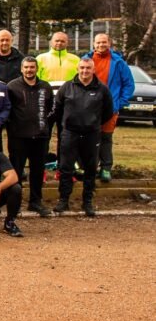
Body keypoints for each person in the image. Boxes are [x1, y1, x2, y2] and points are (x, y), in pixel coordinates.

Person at [52, 57, 114, 217]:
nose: (85, 71)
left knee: (90, 168)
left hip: (91, 134)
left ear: (93, 70)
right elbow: (57, 109)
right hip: (70, 133)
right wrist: (67, 124)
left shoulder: (102, 89)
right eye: (82, 68)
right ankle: (63, 200)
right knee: (66, 168)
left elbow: (108, 111)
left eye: (88, 68)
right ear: (77, 69)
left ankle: (87, 202)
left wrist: (93, 123)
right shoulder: (67, 87)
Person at [83, 33, 134, 183]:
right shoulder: (86, 60)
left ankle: (106, 168)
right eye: (98, 43)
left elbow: (129, 84)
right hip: (89, 108)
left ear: (109, 43)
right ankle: (90, 168)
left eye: (104, 42)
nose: (101, 45)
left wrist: (120, 103)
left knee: (106, 138)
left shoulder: (118, 62)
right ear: (93, 44)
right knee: (89, 139)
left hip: (110, 108)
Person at [6, 56, 54, 217]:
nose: (29, 70)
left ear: (36, 68)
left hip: (40, 137)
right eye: (26, 67)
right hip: (18, 136)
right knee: (16, 172)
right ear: (21, 69)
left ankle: (35, 202)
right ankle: (15, 203)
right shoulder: (12, 87)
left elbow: (50, 110)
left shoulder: (45, 87)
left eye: (32, 67)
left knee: (37, 171)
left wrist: (45, 128)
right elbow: (8, 109)